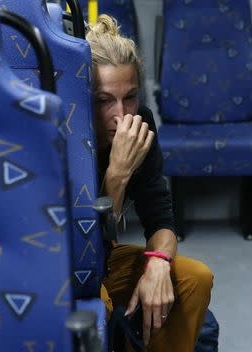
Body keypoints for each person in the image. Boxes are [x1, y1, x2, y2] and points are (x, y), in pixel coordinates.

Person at [85, 15, 214, 351]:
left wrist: (158, 260)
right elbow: (86, 250)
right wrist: (117, 174)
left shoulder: (141, 123)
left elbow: (160, 215)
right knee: (100, 302)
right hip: (75, 261)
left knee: (194, 279)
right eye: (103, 100)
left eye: (130, 97)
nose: (121, 115)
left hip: (105, 256)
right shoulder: (67, 136)